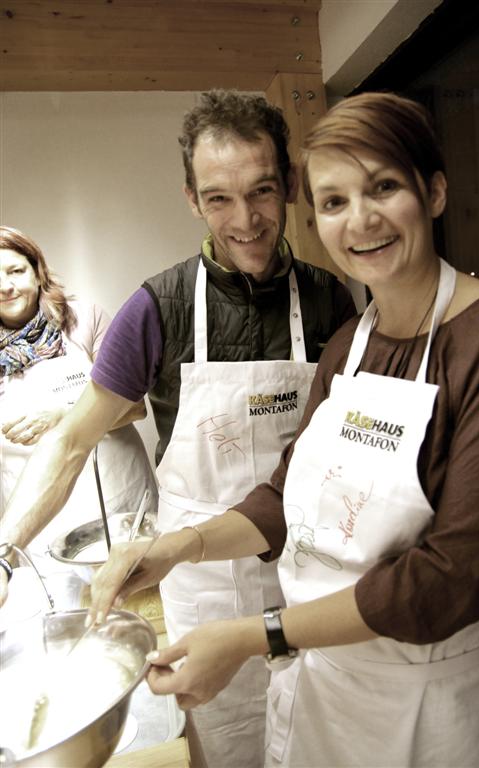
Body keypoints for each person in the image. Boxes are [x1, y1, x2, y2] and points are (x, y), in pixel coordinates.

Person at [88, 91, 479, 768]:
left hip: (432, 704)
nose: (361, 220)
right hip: (330, 686)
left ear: (433, 192)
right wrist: (174, 549)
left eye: (384, 187)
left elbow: (451, 579)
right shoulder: (349, 345)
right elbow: (282, 498)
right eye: (335, 201)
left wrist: (257, 635)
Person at [0, 91, 356, 768]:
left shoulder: (329, 299)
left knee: (319, 734)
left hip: (310, 567)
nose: (245, 221)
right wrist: (5, 551)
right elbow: (72, 440)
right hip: (203, 577)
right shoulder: (156, 308)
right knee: (227, 737)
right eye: (219, 198)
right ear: (192, 199)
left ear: (289, 186)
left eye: (262, 191)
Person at [0, 226, 158, 577]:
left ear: (37, 272)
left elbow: (135, 406)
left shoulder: (84, 320)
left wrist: (63, 417)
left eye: (16, 271)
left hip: (119, 506)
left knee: (139, 599)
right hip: (40, 527)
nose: (5, 286)